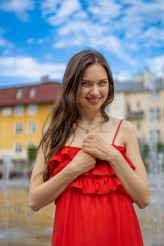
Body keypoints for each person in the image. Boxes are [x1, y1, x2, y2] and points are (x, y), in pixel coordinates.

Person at [28, 49, 150, 246]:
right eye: (86, 84)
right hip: (72, 237)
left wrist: (113, 156)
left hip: (120, 235)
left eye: (102, 83)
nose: (95, 91)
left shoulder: (125, 129)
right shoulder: (53, 133)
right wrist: (74, 169)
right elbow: (34, 201)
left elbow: (143, 199)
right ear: (72, 85)